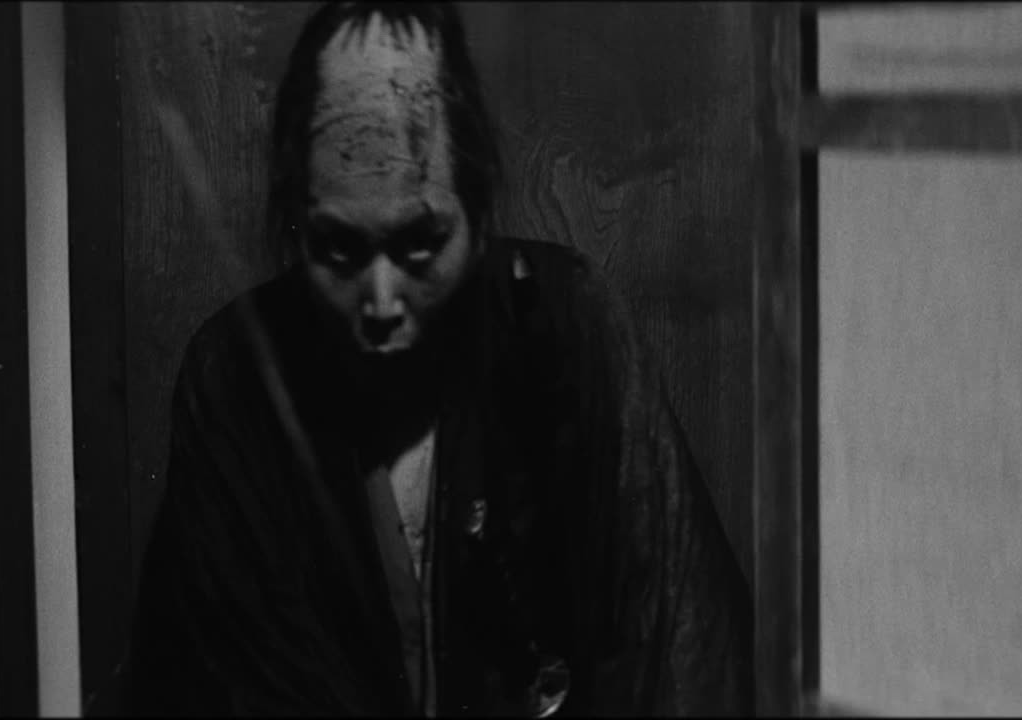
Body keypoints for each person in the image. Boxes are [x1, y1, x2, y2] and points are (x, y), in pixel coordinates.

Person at [126, 2, 752, 716]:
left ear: (477, 220)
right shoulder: (236, 375)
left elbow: (687, 661)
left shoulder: (569, 330)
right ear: (296, 230)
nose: (381, 301)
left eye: (419, 244)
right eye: (339, 249)